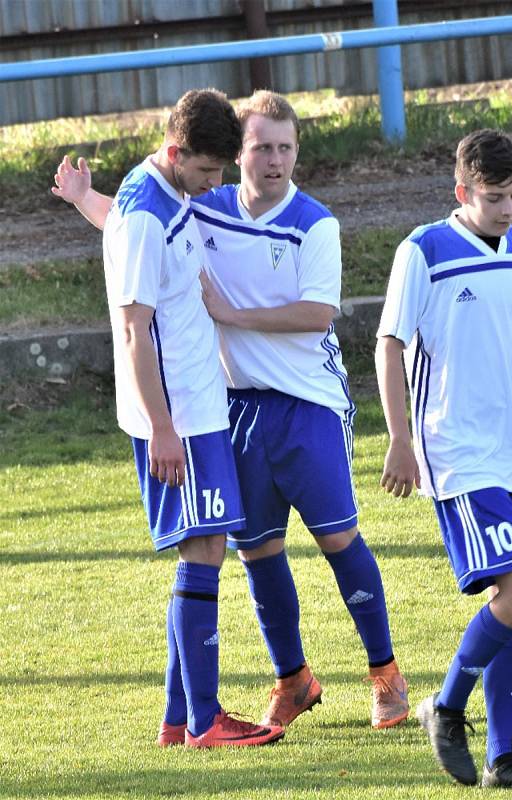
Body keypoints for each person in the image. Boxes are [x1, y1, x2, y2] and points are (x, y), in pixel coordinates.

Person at [52, 90, 409, 732]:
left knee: (333, 537)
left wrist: (233, 315)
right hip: (226, 409)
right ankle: (282, 683)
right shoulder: (202, 199)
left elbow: (319, 313)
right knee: (253, 550)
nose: (274, 161)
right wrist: (84, 199)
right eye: (261, 148)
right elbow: (138, 235)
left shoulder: (312, 222)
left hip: (307, 404)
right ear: (235, 153)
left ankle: (385, 675)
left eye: (285, 148)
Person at [52, 89, 284, 749]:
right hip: (177, 416)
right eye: (209, 173)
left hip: (195, 407)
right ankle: (203, 721)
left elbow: (120, 228)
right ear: (176, 152)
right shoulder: (147, 217)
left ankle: (180, 719)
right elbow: (132, 332)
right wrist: (160, 426)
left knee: (204, 546)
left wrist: (78, 199)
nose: (215, 186)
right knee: (204, 547)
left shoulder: (151, 191)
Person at [375, 129, 512, 788]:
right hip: (458, 452)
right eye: (495, 197)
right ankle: (446, 705)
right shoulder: (424, 251)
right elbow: (388, 345)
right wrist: (399, 439)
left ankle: (503, 759)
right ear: (461, 191)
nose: (508, 209)